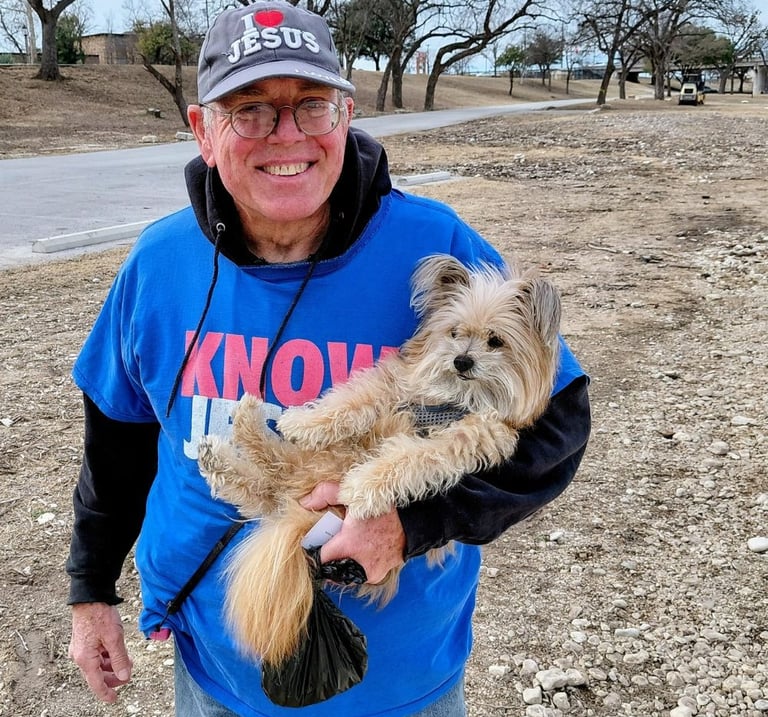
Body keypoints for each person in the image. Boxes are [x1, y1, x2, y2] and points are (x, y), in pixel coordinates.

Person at [66, 2, 591, 715]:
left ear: (346, 117)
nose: (286, 135)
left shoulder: (435, 246)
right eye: (249, 110)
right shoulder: (158, 264)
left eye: (311, 106)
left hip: (399, 691)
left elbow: (557, 426)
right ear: (203, 130)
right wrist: (91, 592)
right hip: (213, 677)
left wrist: (412, 525)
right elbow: (117, 446)